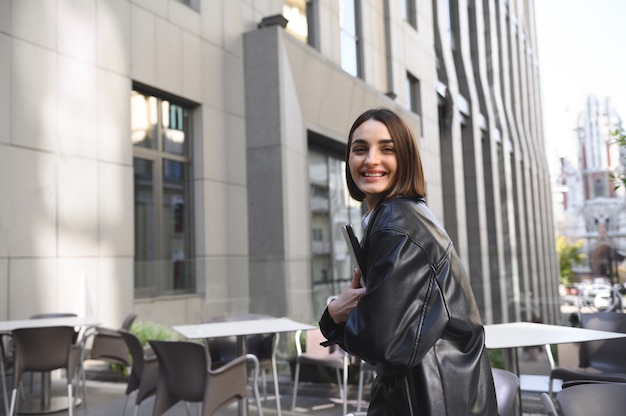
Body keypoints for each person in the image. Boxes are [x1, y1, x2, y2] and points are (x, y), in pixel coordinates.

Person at [319, 108, 498, 415]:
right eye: (360, 149)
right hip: (438, 395)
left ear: (405, 159)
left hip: (429, 400)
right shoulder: (400, 216)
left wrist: (334, 317)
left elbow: (384, 346)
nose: (370, 160)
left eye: (387, 149)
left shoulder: (396, 224)